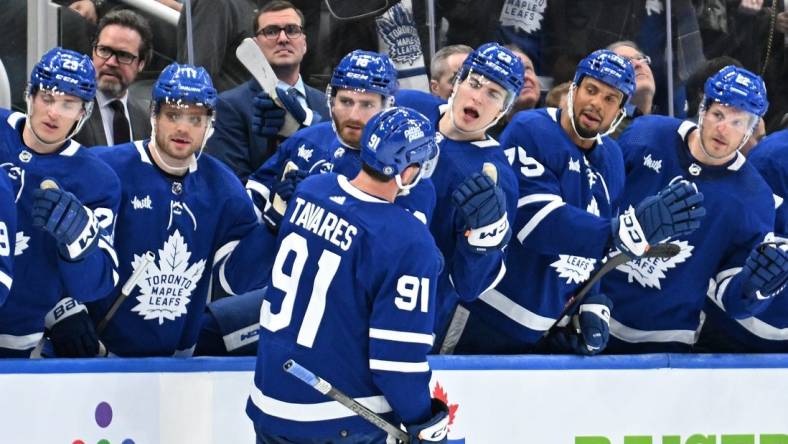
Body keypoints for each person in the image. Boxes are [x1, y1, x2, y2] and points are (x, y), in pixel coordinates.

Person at [453, 50, 705, 355]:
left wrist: (591, 300)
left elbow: (596, 246)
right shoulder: (531, 129)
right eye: (591, 90)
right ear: (573, 89)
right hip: (483, 317)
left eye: (610, 99)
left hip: (544, 332)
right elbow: (536, 223)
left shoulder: (611, 157)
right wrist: (622, 231)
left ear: (620, 113)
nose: (597, 103)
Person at [193, 50, 436, 357]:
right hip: (277, 287)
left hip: (339, 309)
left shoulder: (405, 175)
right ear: (331, 100)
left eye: (367, 105)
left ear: (388, 107)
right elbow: (242, 238)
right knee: (198, 327)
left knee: (212, 331)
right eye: (346, 102)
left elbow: (394, 262)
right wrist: (273, 219)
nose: (355, 115)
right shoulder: (308, 141)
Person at [246, 106, 449, 444]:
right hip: (339, 418)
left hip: (269, 403)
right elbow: (396, 362)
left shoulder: (312, 189)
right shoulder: (408, 241)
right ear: (407, 169)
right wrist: (425, 423)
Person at [82, 63, 278, 357]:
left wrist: (273, 227)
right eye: (173, 115)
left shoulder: (223, 187)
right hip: (101, 354)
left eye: (195, 119)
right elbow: (60, 247)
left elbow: (237, 280)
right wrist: (64, 311)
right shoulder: (105, 168)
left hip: (181, 364)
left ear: (209, 125)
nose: (183, 128)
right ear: (154, 116)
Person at [602, 65, 787, 353]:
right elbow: (598, 207)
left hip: (668, 340)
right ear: (702, 109)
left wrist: (754, 289)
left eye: (738, 123)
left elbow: (733, 299)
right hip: (595, 312)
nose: (724, 128)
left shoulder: (755, 198)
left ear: (751, 131)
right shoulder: (645, 136)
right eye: (718, 115)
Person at [398, 43, 523, 353]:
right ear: (458, 82)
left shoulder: (495, 177)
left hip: (413, 313)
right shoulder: (407, 107)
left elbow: (470, 286)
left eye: (494, 94)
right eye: (475, 83)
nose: (478, 97)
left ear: (503, 110)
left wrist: (483, 244)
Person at [0, 47, 120, 357]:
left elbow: (98, 284)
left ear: (84, 112)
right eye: (48, 99)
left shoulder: (97, 179)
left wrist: (80, 243)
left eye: (69, 104)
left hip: (18, 338)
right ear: (31, 96)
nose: (54, 112)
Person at [207, 0, 329, 182]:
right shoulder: (228, 106)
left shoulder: (325, 104)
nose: (283, 38)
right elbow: (231, 185)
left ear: (304, 43)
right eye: (271, 31)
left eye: (292, 30)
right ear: (255, 45)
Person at [73, 9, 154, 147]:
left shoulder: (148, 120)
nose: (111, 62)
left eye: (123, 55)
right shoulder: (70, 108)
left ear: (141, 64)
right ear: (93, 51)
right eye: (104, 50)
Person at [607, 40, 655, 137]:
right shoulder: (603, 138)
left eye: (640, 58)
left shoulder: (675, 118)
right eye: (624, 62)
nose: (638, 64)